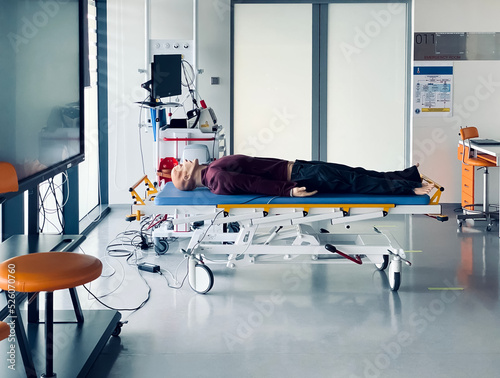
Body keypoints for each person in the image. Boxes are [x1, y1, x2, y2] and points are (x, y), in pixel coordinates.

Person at [169, 154, 434, 197]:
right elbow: (254, 184)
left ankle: (409, 176)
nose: (181, 163)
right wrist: (288, 191)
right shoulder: (216, 179)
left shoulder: (213, 166)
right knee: (356, 181)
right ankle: (409, 190)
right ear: (187, 179)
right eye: (179, 169)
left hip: (300, 166)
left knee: (356, 172)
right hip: (301, 176)